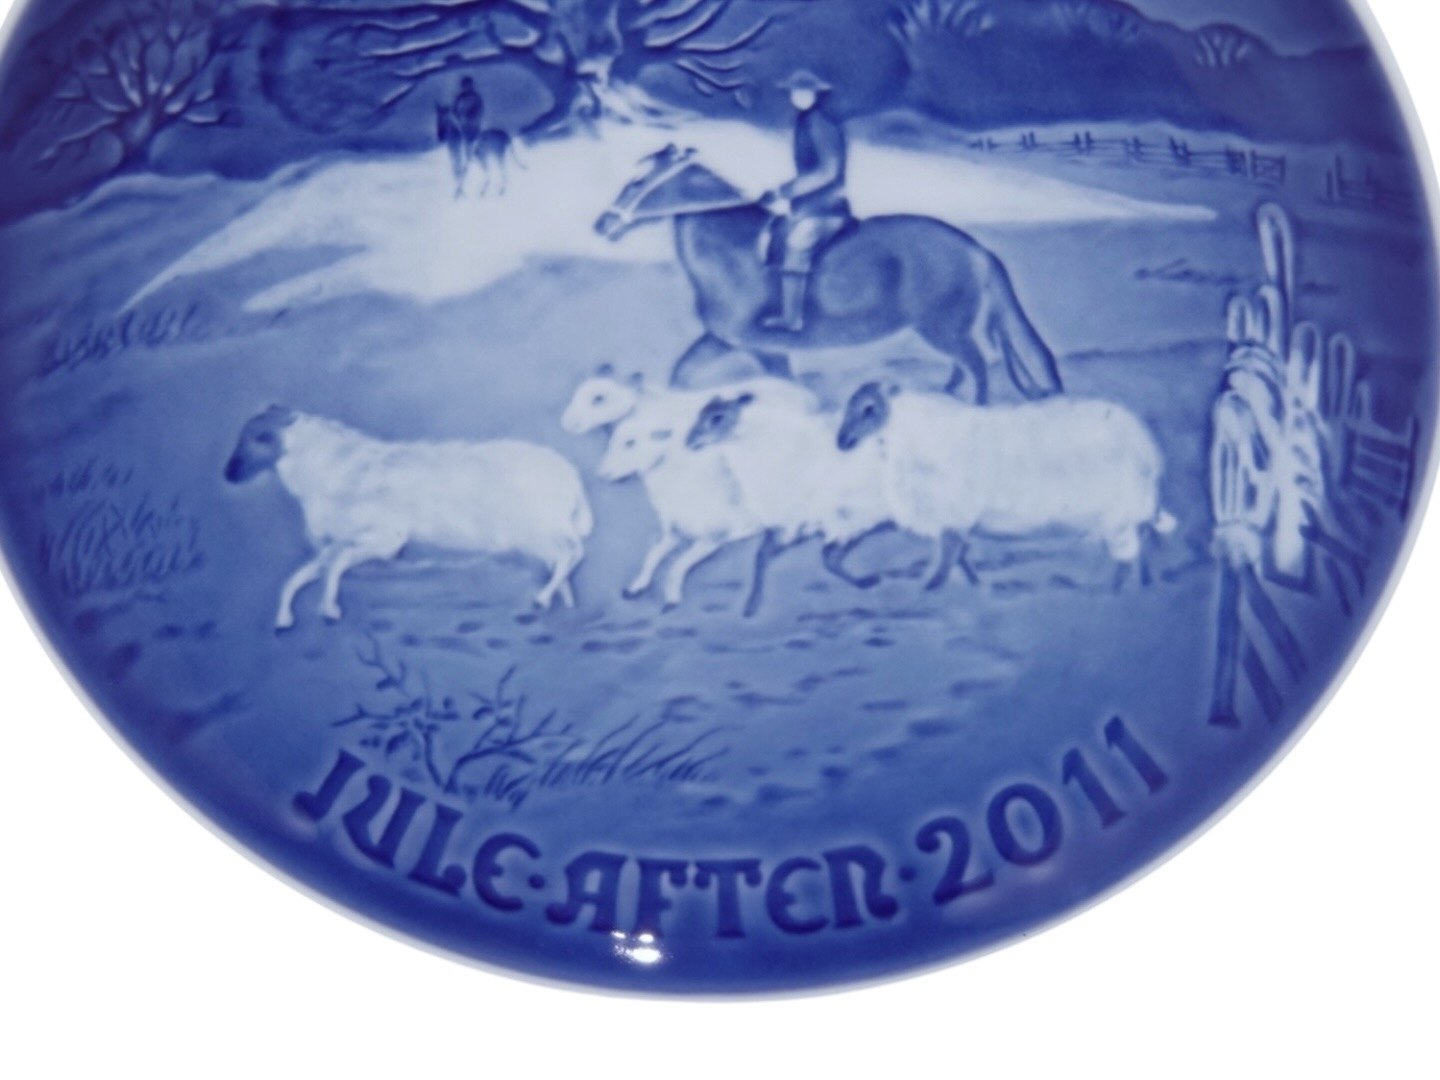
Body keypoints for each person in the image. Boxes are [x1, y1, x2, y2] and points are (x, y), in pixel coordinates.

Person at [760, 70, 850, 333]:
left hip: (825, 208)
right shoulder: (806, 121)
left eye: (804, 90)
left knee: (797, 246)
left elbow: (826, 171)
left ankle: (792, 319)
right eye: (795, 90)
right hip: (809, 206)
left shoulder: (820, 123)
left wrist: (784, 191)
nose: (798, 95)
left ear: (815, 94)